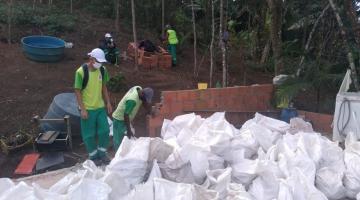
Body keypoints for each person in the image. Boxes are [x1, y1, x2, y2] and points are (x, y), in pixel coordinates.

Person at [74, 48, 112, 165]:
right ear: (91, 59)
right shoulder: (80, 72)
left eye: (101, 62)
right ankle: (93, 156)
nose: (100, 64)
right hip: (88, 109)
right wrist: (83, 109)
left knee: (105, 130)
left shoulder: (102, 70)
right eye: (98, 61)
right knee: (88, 135)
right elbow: (77, 91)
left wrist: (108, 102)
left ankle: (102, 153)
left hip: (100, 107)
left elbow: (104, 87)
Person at [112, 86, 154, 151]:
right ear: (142, 94)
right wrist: (129, 130)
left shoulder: (139, 88)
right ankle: (117, 157)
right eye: (145, 99)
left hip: (126, 118)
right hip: (119, 119)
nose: (145, 101)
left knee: (127, 138)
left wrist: (150, 111)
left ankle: (125, 153)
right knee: (118, 140)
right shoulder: (132, 100)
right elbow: (126, 115)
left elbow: (144, 102)